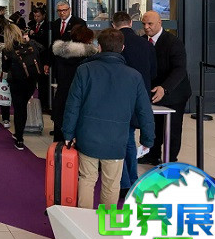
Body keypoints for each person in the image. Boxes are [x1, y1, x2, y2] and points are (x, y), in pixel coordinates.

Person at [62, 28, 155, 209]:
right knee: (111, 184)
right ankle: (106, 221)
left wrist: (68, 133)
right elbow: (145, 111)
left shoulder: (84, 70)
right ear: (122, 48)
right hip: (116, 140)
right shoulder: (134, 76)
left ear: (99, 47)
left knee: (87, 179)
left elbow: (73, 105)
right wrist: (147, 139)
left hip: (87, 136)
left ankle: (83, 221)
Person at [111, 11, 157, 195]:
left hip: (119, 99)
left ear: (113, 25)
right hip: (140, 97)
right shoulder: (146, 44)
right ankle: (132, 180)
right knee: (129, 138)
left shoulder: (115, 44)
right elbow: (153, 72)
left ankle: (125, 182)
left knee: (121, 140)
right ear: (131, 23)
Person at [139, 10, 192, 165]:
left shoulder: (173, 42)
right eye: (144, 24)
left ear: (159, 23)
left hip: (174, 92)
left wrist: (164, 88)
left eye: (150, 24)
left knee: (173, 128)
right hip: (152, 91)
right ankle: (152, 155)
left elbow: (180, 69)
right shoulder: (142, 41)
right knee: (153, 125)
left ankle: (170, 159)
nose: (146, 27)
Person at [50, 25, 97, 143]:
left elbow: (56, 74)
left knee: (59, 136)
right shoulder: (90, 58)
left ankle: (58, 154)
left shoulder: (60, 54)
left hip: (61, 95)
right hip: (80, 99)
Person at [1, 23, 43, 150]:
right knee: (23, 107)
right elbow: (42, 49)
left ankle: (19, 138)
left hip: (16, 81)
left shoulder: (7, 49)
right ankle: (19, 134)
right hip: (31, 80)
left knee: (18, 109)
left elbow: (5, 68)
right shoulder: (31, 44)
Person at [29, 7, 51, 110]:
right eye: (35, 16)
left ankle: (44, 104)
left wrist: (34, 35)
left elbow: (44, 40)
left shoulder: (47, 26)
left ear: (43, 16)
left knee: (43, 82)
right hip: (34, 57)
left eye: (38, 16)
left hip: (43, 56)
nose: (36, 18)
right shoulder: (33, 25)